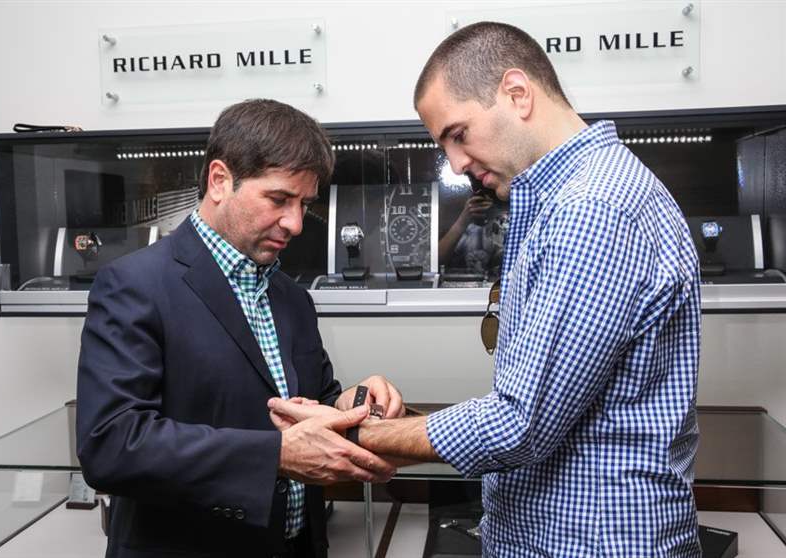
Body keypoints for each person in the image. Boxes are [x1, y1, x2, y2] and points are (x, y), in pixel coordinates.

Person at [270, 22, 702, 557]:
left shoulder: (592, 210)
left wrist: (350, 434)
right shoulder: (568, 198)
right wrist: (395, 425)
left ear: (517, 94)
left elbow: (521, 424)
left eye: (458, 134)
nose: (455, 163)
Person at [76, 98, 404, 558]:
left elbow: (313, 401)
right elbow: (111, 445)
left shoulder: (292, 298)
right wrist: (276, 455)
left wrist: (353, 402)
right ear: (219, 180)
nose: (295, 223)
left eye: (304, 204)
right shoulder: (134, 285)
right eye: (279, 199)